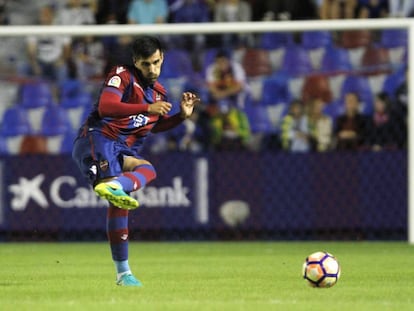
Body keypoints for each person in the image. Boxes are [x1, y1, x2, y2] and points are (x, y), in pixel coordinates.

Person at [72, 35, 199, 287]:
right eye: (145, 64)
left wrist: (181, 117)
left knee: (144, 173)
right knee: (117, 197)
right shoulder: (121, 75)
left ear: (162, 58)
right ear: (135, 62)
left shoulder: (158, 92)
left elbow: (153, 125)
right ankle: (123, 273)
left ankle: (124, 275)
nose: (152, 69)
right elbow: (107, 106)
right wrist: (146, 108)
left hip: (121, 150)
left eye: (156, 62)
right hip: (99, 139)